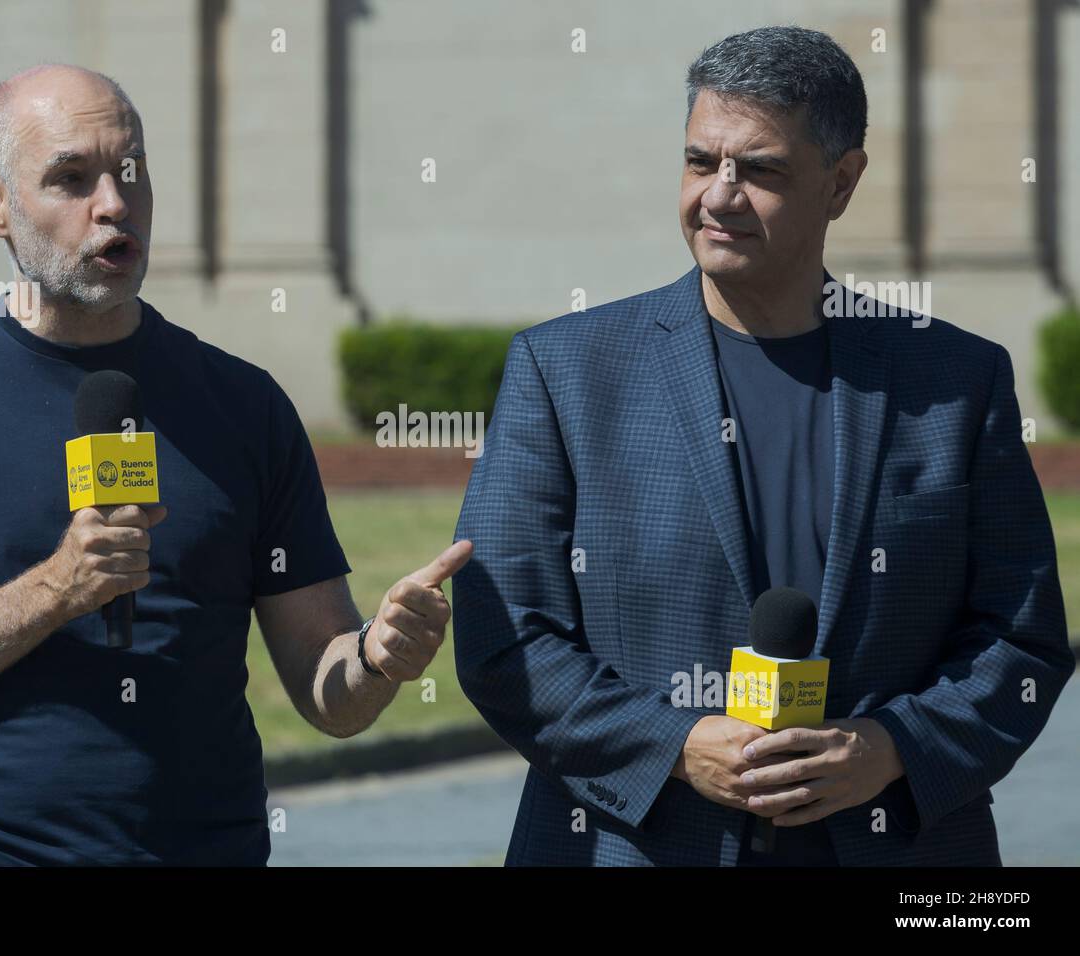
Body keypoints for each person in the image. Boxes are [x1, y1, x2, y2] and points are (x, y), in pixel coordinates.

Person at [0, 63, 470, 865]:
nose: (114, 204)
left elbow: (327, 692)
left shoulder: (244, 404)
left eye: (130, 172)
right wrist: (57, 590)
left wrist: (376, 658)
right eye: (71, 178)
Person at [450, 26, 1072, 866]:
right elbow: (505, 638)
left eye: (762, 169)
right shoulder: (564, 371)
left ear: (842, 182)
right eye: (702, 162)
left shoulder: (957, 381)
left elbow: (1021, 640)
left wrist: (890, 749)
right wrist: (674, 745)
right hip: (634, 845)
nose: (720, 196)